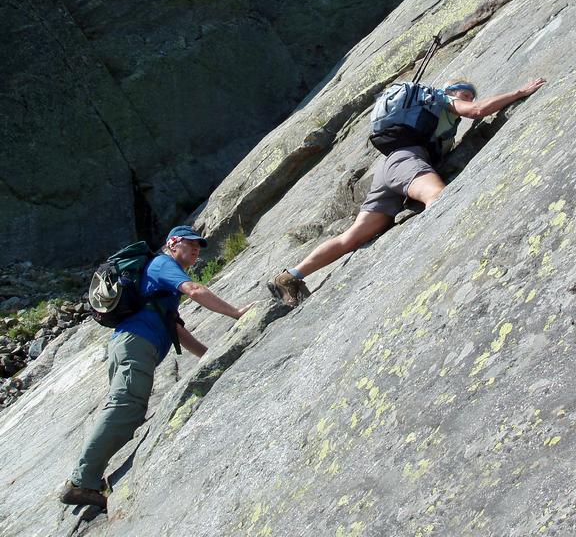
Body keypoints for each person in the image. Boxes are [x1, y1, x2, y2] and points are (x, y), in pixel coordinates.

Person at [268, 77, 546, 307]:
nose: (467, 99)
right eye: (464, 94)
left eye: (469, 95)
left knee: (353, 236)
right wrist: (520, 92)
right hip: (406, 161)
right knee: (438, 198)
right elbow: (478, 111)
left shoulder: (427, 117)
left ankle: (291, 275)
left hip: (390, 166)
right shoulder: (442, 100)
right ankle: (442, 262)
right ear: (450, 92)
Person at [60, 225, 253, 509]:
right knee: (124, 407)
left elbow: (174, 327)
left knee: (129, 410)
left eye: (199, 247)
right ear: (173, 243)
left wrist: (211, 357)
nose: (197, 250)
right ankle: (81, 481)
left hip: (131, 345)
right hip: (135, 345)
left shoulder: (160, 282)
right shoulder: (164, 264)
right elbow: (195, 289)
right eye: (191, 244)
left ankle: (87, 477)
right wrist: (236, 313)